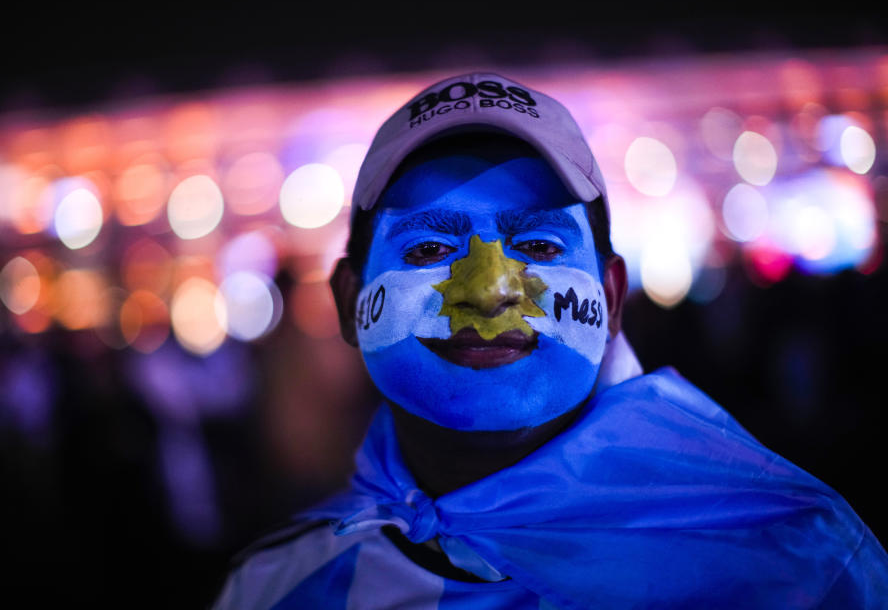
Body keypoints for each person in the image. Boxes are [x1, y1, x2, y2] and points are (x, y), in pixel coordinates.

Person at [213, 73, 888, 608]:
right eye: (426, 248)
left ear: (613, 297)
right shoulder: (276, 591)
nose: (487, 290)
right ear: (351, 302)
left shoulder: (796, 566)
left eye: (536, 244)